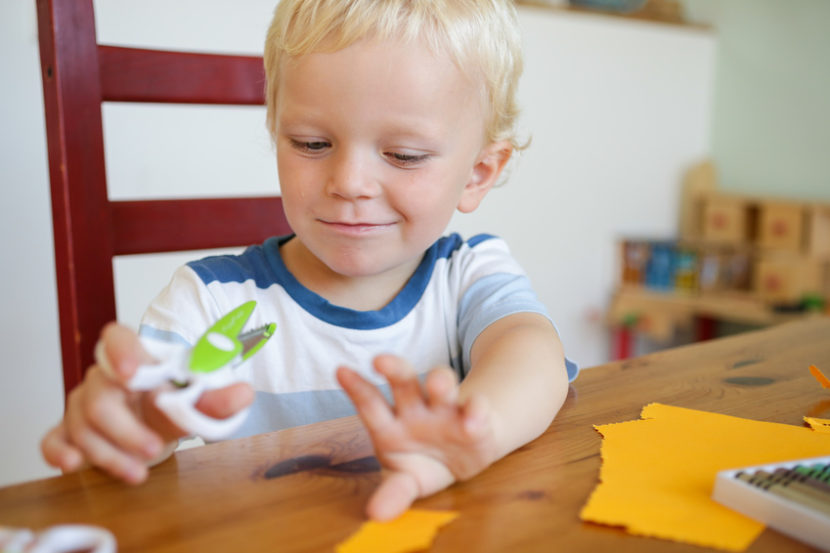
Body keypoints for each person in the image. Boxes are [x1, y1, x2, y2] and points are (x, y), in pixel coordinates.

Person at [41, 0, 578, 521]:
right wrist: (131, 424)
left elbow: (532, 357)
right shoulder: (210, 301)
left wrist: (472, 430)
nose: (348, 182)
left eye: (403, 155)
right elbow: (131, 435)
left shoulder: (469, 274)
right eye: (312, 144)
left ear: (480, 172)